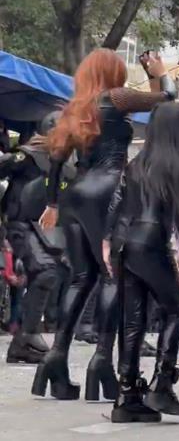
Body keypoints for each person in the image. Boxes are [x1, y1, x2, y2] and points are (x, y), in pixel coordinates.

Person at [32, 48, 175, 401]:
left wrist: (52, 203)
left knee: (81, 277)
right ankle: (101, 361)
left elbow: (55, 162)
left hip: (76, 193)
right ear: (112, 72)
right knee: (115, 274)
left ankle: (56, 356)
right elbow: (167, 100)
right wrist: (160, 71)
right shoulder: (116, 97)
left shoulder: (74, 108)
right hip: (109, 189)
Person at [103, 102, 179, 422]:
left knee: (132, 320)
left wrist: (108, 241)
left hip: (125, 242)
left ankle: (127, 395)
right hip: (151, 243)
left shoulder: (138, 162)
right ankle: (162, 382)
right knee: (175, 310)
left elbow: (117, 202)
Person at [1, 112, 73, 364]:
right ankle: (26, 337)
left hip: (46, 229)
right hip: (21, 224)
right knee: (45, 272)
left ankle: (24, 340)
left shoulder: (65, 162)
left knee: (51, 273)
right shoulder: (28, 155)